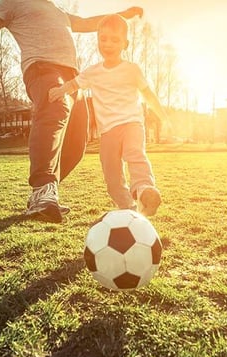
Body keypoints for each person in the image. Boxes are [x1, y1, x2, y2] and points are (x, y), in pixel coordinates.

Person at [0, 1, 144, 223]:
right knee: (54, 108)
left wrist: (122, 15)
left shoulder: (58, 12)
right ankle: (42, 188)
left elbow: (89, 23)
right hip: (42, 70)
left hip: (72, 79)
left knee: (77, 143)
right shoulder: (12, 3)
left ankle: (47, 191)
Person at [49, 14, 168, 216]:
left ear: (125, 44)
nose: (108, 44)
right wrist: (60, 90)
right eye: (103, 39)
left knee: (135, 155)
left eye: (114, 40)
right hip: (108, 132)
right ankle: (128, 208)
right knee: (112, 176)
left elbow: (148, 94)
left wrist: (163, 116)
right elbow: (75, 84)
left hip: (132, 124)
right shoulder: (93, 72)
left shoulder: (132, 70)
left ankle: (145, 189)